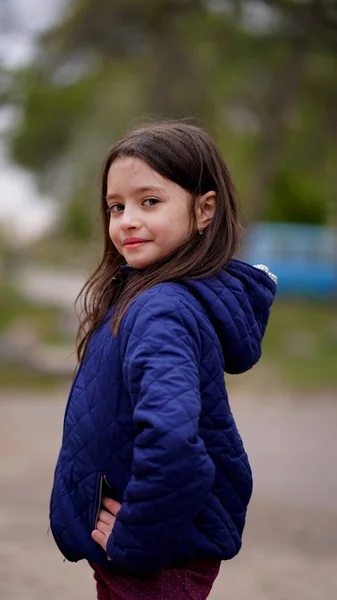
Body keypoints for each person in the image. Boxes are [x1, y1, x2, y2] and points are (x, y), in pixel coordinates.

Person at [49, 121, 277, 599]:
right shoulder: (146, 297)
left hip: (156, 556)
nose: (127, 219)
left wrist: (135, 537)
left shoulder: (162, 308)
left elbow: (174, 443)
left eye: (149, 201)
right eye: (116, 206)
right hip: (150, 549)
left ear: (204, 210)